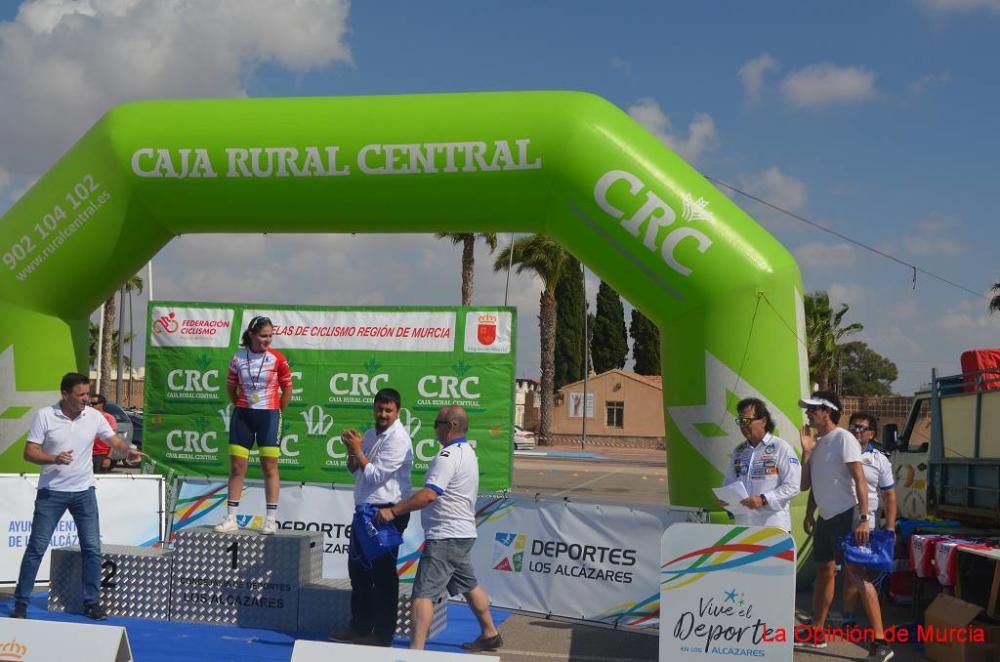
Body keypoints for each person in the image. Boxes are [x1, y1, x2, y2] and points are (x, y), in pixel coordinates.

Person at [9, 373, 144, 620]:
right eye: (81, 395)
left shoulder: (93, 417)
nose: (86, 399)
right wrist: (53, 458)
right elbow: (29, 453)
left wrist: (130, 451)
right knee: (36, 548)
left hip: (84, 493)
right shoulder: (45, 416)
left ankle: (91, 602)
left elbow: (113, 440)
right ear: (65, 394)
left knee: (92, 548)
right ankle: (21, 603)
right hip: (51, 493)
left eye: (87, 394)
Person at [377, 406, 502, 652]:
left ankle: (416, 650)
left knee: (423, 592)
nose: (434, 428)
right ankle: (490, 633)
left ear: (451, 426)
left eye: (437, 423)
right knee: (469, 585)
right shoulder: (467, 452)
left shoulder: (448, 457)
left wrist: (393, 511)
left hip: (445, 535)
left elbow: (429, 495)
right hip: (461, 533)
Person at [796, 392, 884, 658]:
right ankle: (818, 631)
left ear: (827, 411)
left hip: (849, 517)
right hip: (826, 518)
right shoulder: (819, 443)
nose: (808, 413)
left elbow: (859, 480)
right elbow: (806, 485)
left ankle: (881, 642)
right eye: (808, 409)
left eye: (812, 409)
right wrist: (807, 453)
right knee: (824, 574)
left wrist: (865, 519)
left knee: (857, 577)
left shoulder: (844, 438)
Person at [331, 388, 414, 647]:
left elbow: (376, 476)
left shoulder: (399, 438)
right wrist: (351, 450)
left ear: (398, 412)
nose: (383, 414)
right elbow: (354, 469)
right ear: (374, 408)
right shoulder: (370, 433)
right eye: (379, 409)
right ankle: (359, 627)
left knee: (383, 576)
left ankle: (382, 634)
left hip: (386, 513)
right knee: (358, 572)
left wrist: (358, 450)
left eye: (388, 410)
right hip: (364, 511)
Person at [214, 315, 292, 536]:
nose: (268, 340)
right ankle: (231, 518)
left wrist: (277, 411)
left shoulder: (277, 358)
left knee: (269, 467)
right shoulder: (238, 358)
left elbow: (287, 389)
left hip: (269, 416)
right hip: (243, 415)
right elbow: (231, 387)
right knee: (238, 468)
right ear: (251, 334)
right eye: (263, 336)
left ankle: (270, 520)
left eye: (270, 336)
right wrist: (241, 404)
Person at [841, 413, 897, 649]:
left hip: (866, 522)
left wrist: (891, 526)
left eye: (862, 428)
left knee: (858, 572)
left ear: (872, 434)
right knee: (850, 570)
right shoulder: (840, 452)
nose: (857, 431)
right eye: (853, 427)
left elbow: (889, 495)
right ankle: (847, 618)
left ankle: (878, 636)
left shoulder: (879, 460)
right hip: (840, 518)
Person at [719, 397, 800, 531]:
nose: (742, 426)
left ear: (763, 421)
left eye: (746, 421)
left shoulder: (781, 447)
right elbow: (730, 483)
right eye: (740, 421)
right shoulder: (738, 451)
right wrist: (725, 498)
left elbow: (793, 486)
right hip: (743, 527)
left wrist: (763, 499)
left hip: (773, 528)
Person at [89, 394, 117, 474]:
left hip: (101, 455)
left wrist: (108, 457)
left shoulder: (109, 418)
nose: (91, 406)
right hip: (87, 455)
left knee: (99, 483)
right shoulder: (87, 417)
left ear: (101, 404)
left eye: (94, 404)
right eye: (90, 403)